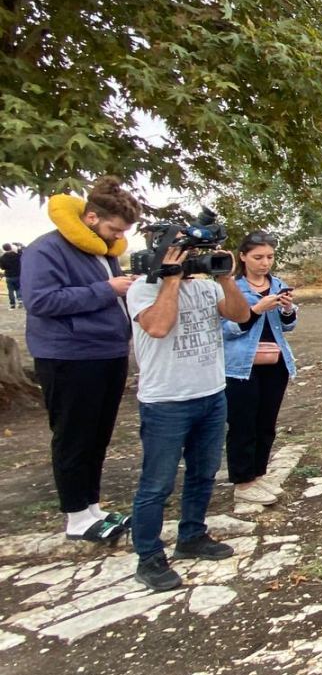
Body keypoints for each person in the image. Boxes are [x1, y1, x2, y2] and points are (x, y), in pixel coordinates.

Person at [21, 178, 142, 543]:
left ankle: (92, 508)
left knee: (97, 434)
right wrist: (107, 290)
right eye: (113, 229)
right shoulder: (46, 250)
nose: (116, 237)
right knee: (74, 436)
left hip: (107, 352)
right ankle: (76, 517)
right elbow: (41, 301)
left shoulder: (100, 251)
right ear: (91, 217)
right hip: (68, 356)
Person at [128, 241, 252, 591]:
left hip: (211, 394)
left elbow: (241, 316)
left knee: (203, 473)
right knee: (156, 484)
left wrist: (226, 279)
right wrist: (170, 280)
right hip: (166, 401)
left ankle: (192, 535)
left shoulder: (207, 287)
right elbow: (157, 327)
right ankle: (149, 557)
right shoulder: (142, 289)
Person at [223, 231, 298, 506]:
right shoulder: (232, 288)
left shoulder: (277, 284)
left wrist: (288, 310)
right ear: (243, 257)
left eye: (269, 257)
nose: (265, 263)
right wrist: (256, 309)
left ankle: (259, 473)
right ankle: (243, 481)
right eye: (258, 257)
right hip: (241, 365)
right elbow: (227, 330)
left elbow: (288, 326)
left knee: (266, 422)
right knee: (243, 424)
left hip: (275, 363)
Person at [1, 242, 21, 309]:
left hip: (9, 276)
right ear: (10, 247)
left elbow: (2, 267)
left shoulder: (2, 257)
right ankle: (20, 300)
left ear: (4, 249)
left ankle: (12, 304)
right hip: (17, 274)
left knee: (10, 290)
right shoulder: (17, 255)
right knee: (18, 288)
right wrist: (19, 248)